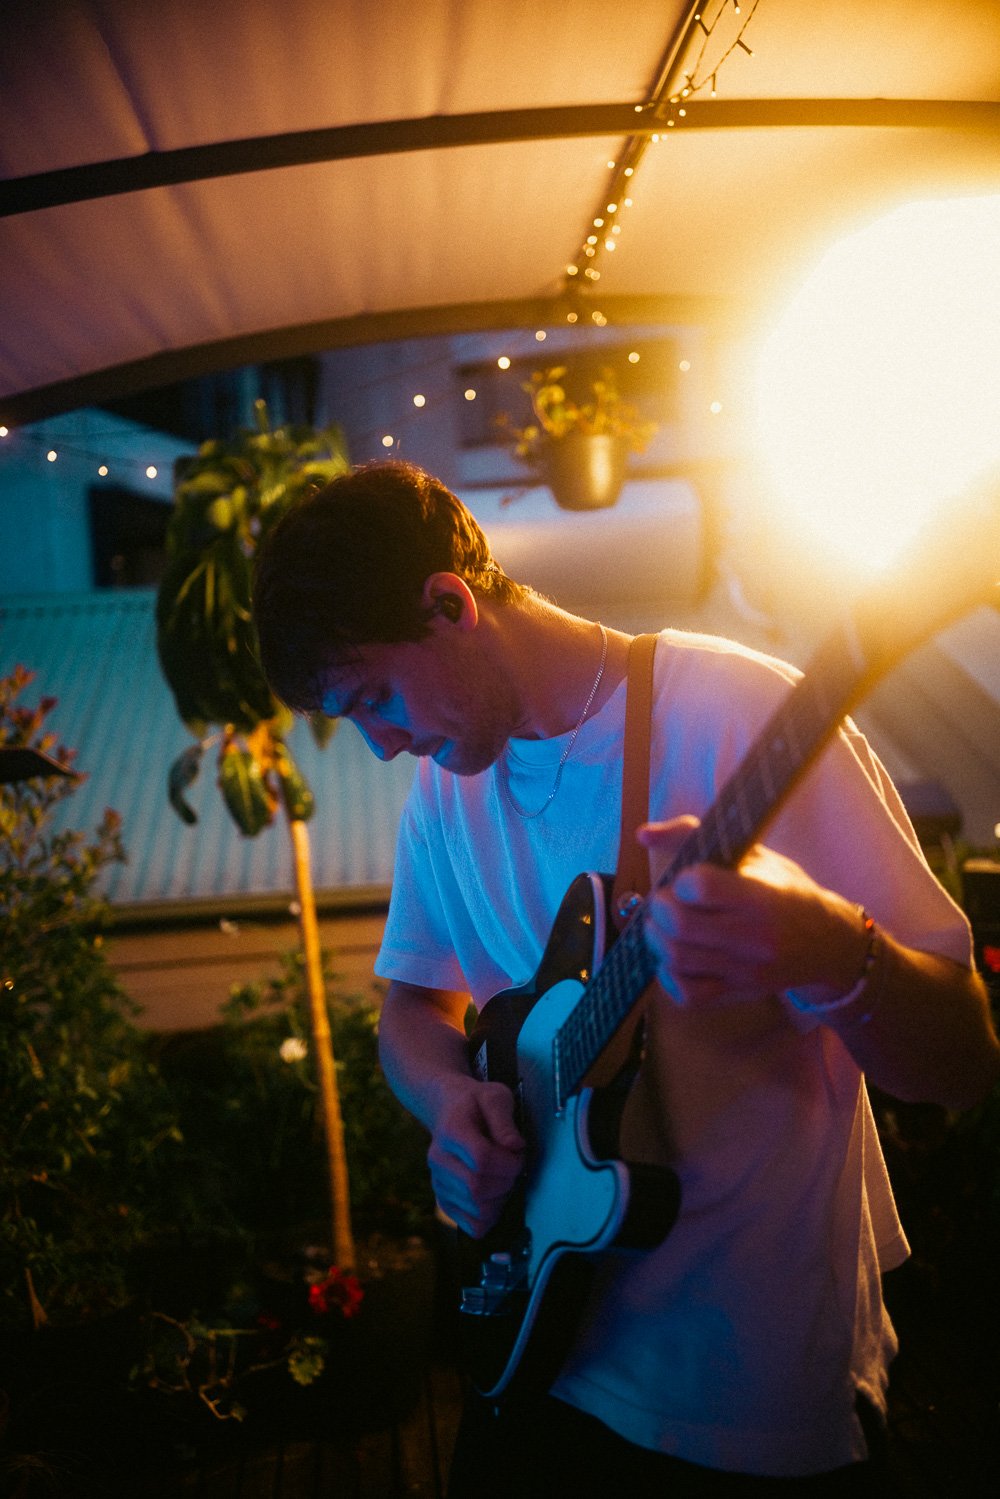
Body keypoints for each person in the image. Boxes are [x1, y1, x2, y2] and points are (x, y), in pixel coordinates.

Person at [252, 460, 999, 1496]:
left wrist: (831, 949)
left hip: (745, 1392)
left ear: (448, 603)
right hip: (539, 1344)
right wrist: (450, 1102)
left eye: (373, 696)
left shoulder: (737, 713)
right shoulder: (444, 785)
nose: (378, 746)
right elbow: (413, 1006)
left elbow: (963, 1059)